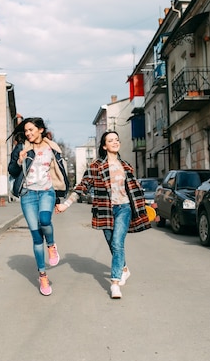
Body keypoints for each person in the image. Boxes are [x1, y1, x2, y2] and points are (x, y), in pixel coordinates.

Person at [56, 130, 151, 299]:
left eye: (117, 139)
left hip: (124, 208)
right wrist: (66, 204)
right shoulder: (96, 166)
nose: (115, 142)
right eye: (111, 140)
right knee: (112, 244)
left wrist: (146, 206)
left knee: (117, 242)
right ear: (104, 145)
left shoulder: (126, 166)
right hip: (105, 210)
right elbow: (82, 186)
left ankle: (115, 284)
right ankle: (124, 269)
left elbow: (135, 191)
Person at [8, 117, 69, 296]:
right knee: (35, 236)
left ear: (40, 129)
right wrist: (19, 161)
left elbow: (60, 172)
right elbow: (12, 171)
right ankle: (42, 276)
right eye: (26, 131)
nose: (28, 133)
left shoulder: (53, 148)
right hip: (28, 194)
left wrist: (59, 198)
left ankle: (51, 244)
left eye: (31, 130)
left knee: (44, 220)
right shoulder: (22, 148)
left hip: (46, 192)